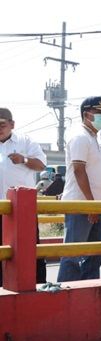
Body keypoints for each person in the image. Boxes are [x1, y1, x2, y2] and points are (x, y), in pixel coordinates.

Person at [57, 96, 101, 282]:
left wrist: (98, 204)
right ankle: (66, 293)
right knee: (72, 254)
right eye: (99, 113)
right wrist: (91, 204)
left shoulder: (93, 138)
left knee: (96, 253)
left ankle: (87, 289)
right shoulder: (80, 137)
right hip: (80, 204)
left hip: (93, 204)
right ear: (86, 114)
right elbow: (79, 171)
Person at [0, 107, 48, 287]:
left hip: (22, 210)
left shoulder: (25, 141)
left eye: (2, 124)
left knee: (29, 250)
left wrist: (24, 160)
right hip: (0, 209)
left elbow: (42, 164)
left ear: (12, 124)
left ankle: (38, 284)